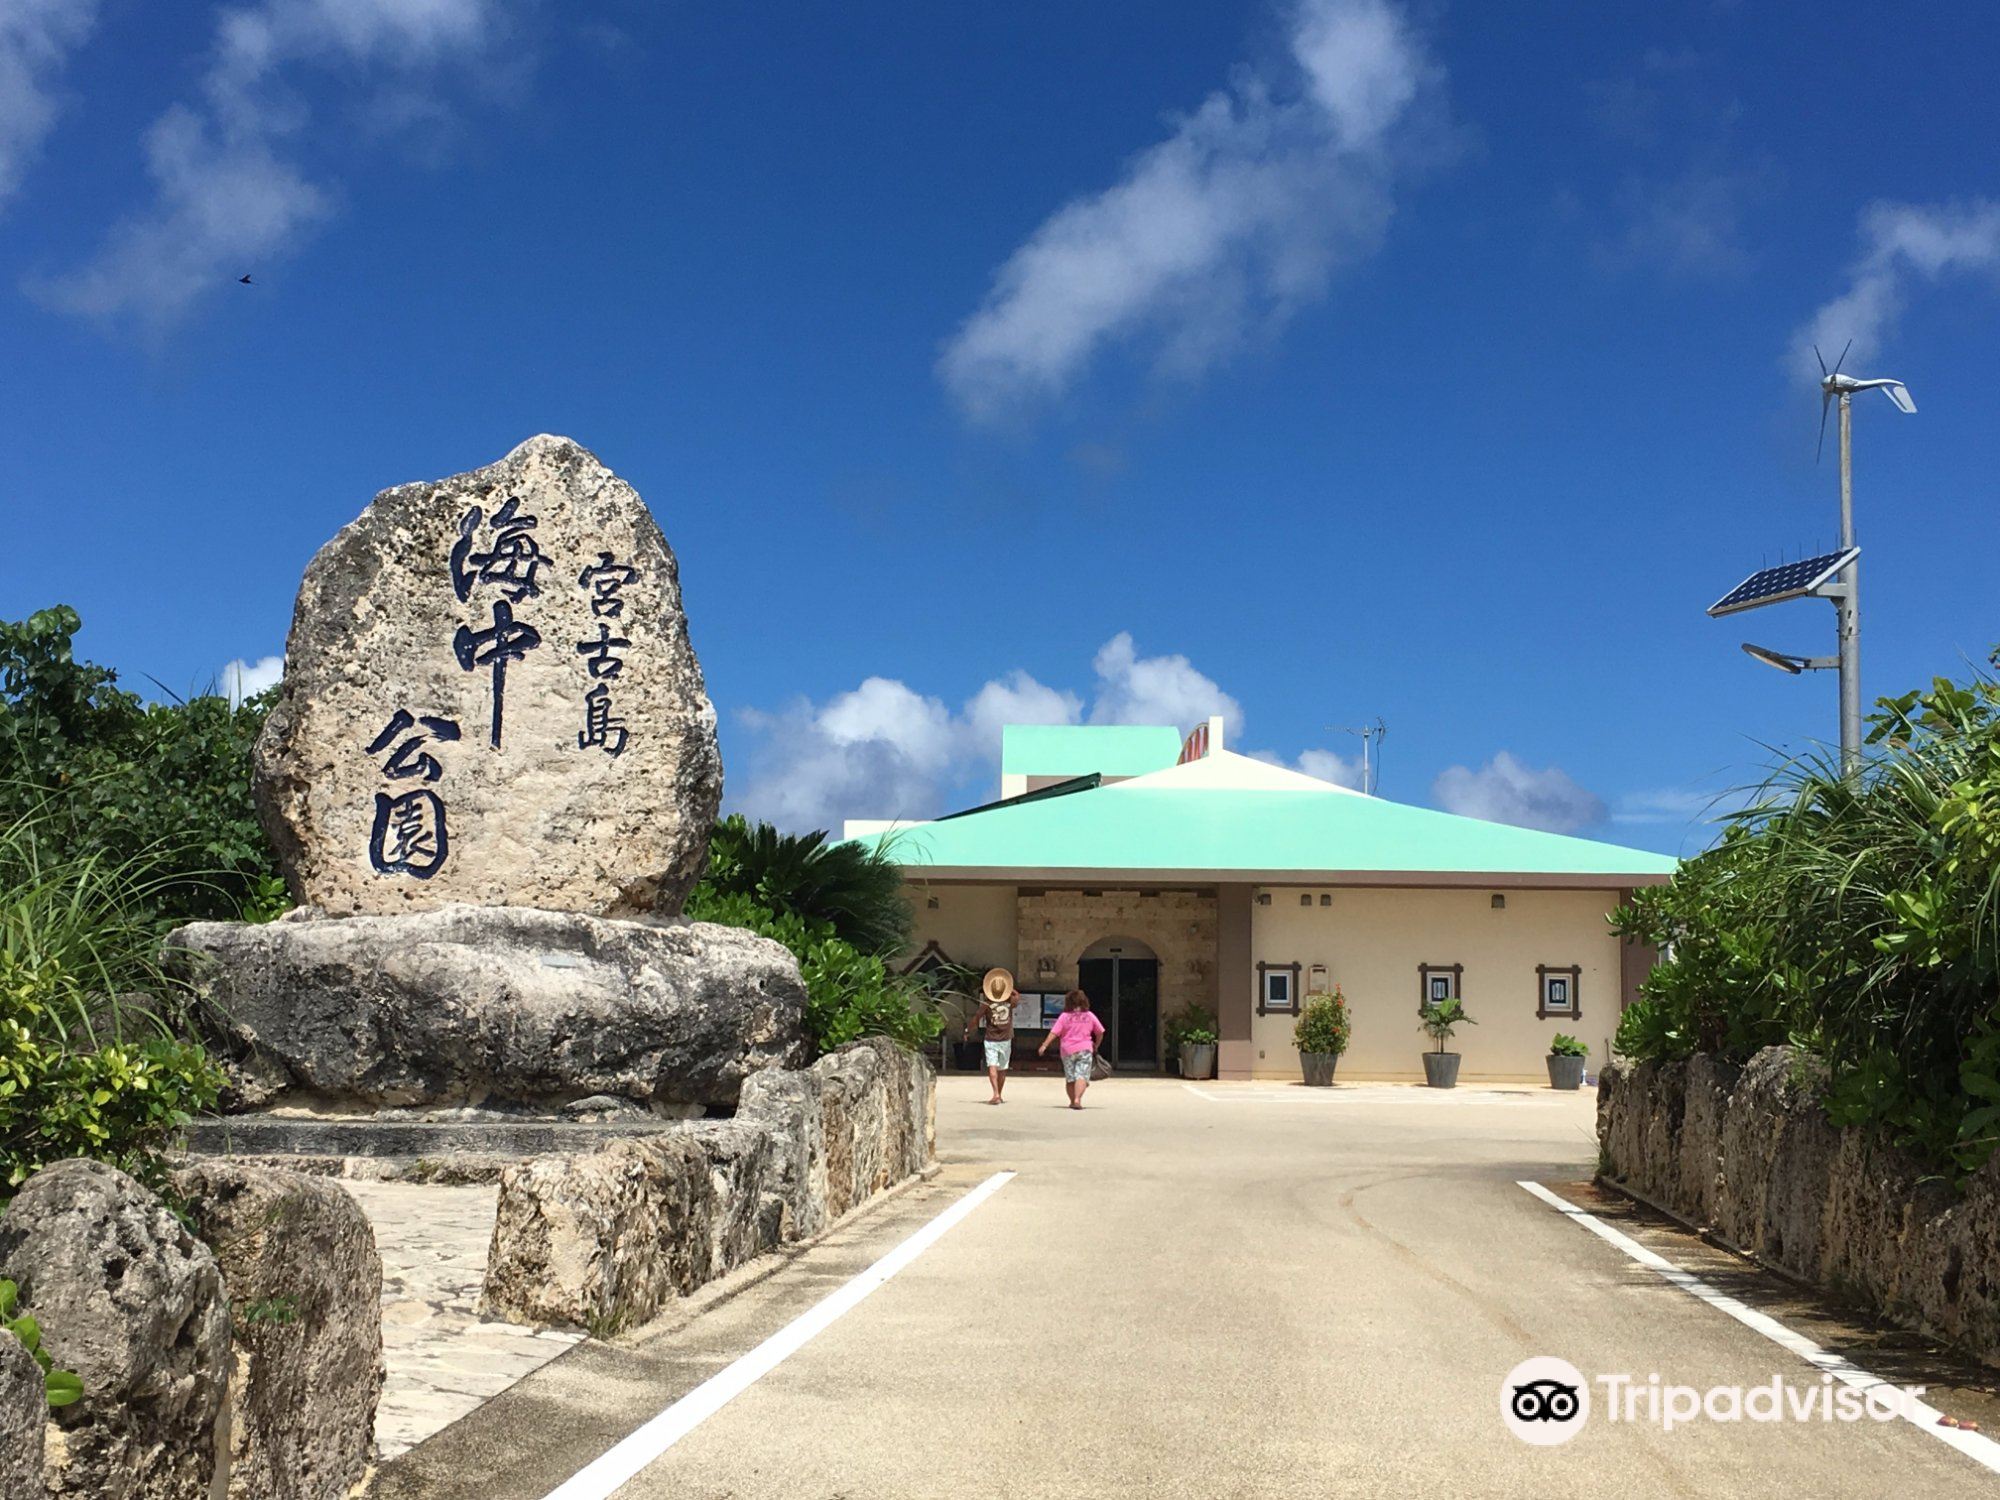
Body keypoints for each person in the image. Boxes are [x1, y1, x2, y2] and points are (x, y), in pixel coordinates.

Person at [1038, 989, 1106, 1110]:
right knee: (1082, 1075)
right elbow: (1100, 1032)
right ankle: (1077, 1099)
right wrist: (1096, 1044)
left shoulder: (1064, 1017)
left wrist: (1044, 1045)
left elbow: (1054, 1032)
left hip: (1067, 1050)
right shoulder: (1089, 1015)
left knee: (1070, 1077)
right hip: (1085, 1048)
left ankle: (1072, 1100)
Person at [968, 968, 1020, 1105]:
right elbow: (1017, 996)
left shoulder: (986, 1004)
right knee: (1003, 1068)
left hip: (991, 1039)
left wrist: (968, 1030)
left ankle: (996, 1093)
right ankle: (999, 1094)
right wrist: (1010, 989)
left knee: (992, 1065)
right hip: (1006, 1039)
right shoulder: (1010, 1002)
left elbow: (976, 1018)